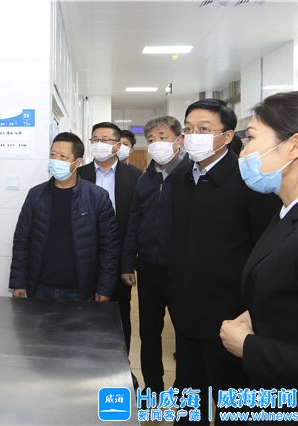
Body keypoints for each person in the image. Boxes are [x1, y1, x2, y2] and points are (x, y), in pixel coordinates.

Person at [170, 99, 280, 424]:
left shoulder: (250, 181)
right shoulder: (180, 178)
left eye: (204, 130)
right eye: (188, 129)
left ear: (228, 135)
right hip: (187, 312)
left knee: (232, 404)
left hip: (231, 318)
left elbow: (265, 250)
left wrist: (252, 311)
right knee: (189, 398)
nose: (193, 136)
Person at [220, 90, 298, 420]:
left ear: (295, 146)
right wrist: (260, 311)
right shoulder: (290, 210)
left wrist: (248, 346)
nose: (243, 152)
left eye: (251, 138)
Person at [120, 115, 190, 395]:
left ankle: (185, 392)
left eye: (163, 137)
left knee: (185, 334)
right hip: (149, 267)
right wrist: (128, 263)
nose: (157, 143)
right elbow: (133, 223)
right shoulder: (145, 179)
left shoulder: (191, 176)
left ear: (178, 140)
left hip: (182, 269)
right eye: (151, 139)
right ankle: (154, 389)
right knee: (148, 333)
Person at [9, 132, 118, 301]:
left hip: (81, 289)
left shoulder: (97, 197)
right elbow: (22, 241)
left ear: (78, 162)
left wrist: (105, 288)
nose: (56, 160)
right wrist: (18, 282)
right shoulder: (36, 195)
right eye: (53, 155)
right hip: (40, 287)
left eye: (63, 157)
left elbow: (109, 247)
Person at [77, 122, 142, 353]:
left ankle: (120, 363)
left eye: (104, 140)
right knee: (83, 314)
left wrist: (128, 264)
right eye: (95, 139)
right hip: (83, 256)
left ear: (117, 145)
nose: (98, 144)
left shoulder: (135, 176)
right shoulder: (79, 174)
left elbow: (135, 224)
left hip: (117, 258)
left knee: (119, 315)